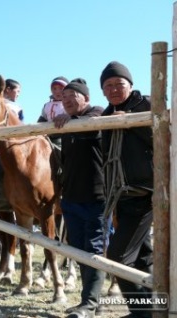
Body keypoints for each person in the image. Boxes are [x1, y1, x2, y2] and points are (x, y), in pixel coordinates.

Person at [53, 78, 109, 318]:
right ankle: (91, 301)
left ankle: (89, 303)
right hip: (72, 198)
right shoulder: (66, 126)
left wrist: (73, 120)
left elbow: (95, 123)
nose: (66, 102)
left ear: (86, 98)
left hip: (97, 197)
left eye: (72, 97)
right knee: (78, 250)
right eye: (63, 99)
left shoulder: (97, 113)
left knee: (94, 249)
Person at [101, 61, 153, 317]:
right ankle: (155, 308)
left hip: (145, 193)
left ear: (130, 85)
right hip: (121, 196)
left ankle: (141, 313)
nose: (113, 89)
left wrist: (131, 122)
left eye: (118, 84)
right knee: (143, 258)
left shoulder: (147, 105)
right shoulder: (105, 114)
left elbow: (164, 139)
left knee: (118, 258)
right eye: (107, 85)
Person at [37, 76, 69, 147]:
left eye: (61, 88)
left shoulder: (69, 104)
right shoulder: (47, 105)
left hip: (62, 137)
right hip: (47, 136)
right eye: (54, 88)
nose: (57, 91)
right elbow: (42, 119)